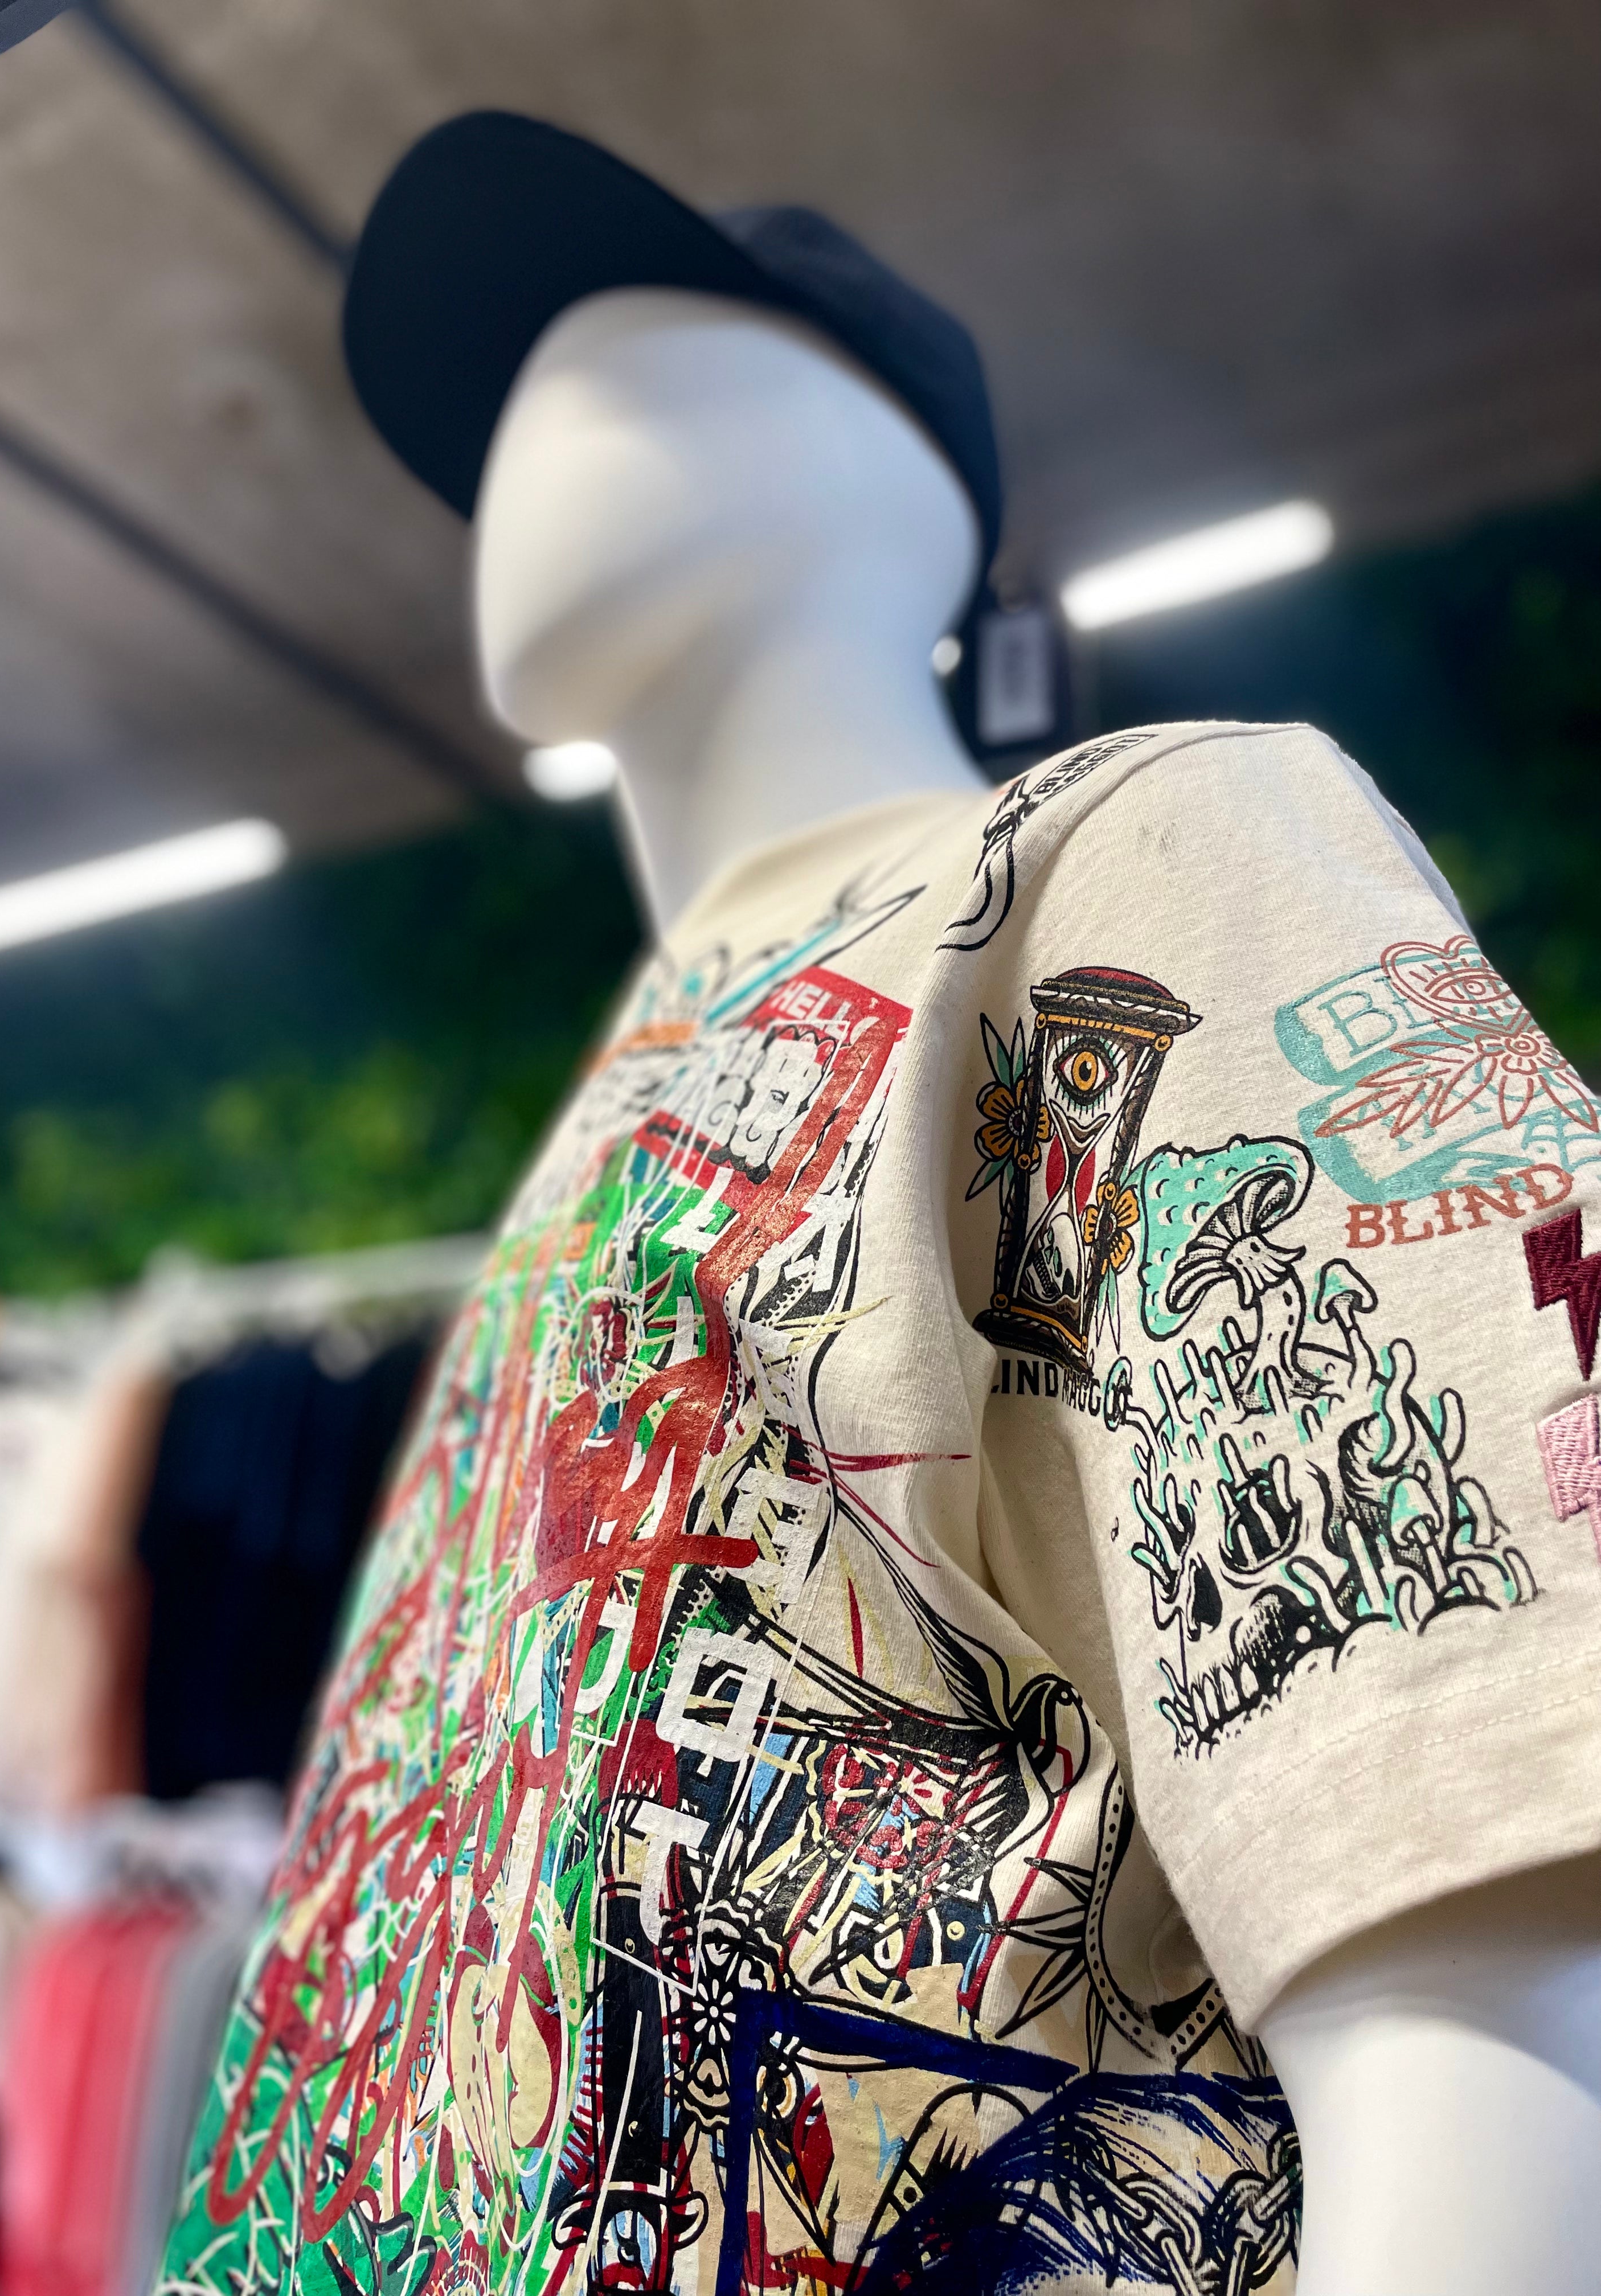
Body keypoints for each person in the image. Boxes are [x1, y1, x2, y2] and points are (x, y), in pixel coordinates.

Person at [156, 113, 1601, 2296]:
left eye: (650, 327)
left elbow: (1496, 1965)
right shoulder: (608, 1124)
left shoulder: (1136, 856)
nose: (541, 398)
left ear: (893, 470)